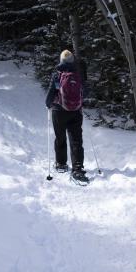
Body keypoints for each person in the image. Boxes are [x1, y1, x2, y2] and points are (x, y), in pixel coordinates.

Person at [45, 50, 89, 184]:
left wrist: (48, 104)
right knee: (76, 139)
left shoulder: (57, 75)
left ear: (61, 61)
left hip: (59, 110)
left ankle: (61, 164)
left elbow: (51, 93)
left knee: (60, 137)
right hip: (76, 111)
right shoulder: (78, 75)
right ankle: (77, 168)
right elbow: (85, 92)